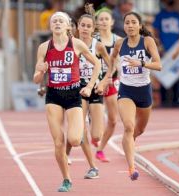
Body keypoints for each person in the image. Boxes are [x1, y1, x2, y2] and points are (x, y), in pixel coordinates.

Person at [33, 11, 101, 192]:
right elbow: (36, 77)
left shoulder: (76, 44)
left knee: (75, 139)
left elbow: (97, 64)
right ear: (50, 26)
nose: (56, 23)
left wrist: (90, 86)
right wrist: (40, 72)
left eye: (60, 21)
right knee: (58, 142)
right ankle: (66, 179)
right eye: (54, 21)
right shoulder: (44, 47)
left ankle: (79, 136)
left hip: (73, 95)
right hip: (53, 95)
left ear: (68, 26)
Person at [110, 12, 161, 180]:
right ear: (123, 26)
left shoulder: (147, 41)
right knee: (128, 127)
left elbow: (158, 65)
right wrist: (109, 76)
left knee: (139, 129)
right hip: (126, 90)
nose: (130, 25)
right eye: (127, 23)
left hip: (144, 90)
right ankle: (132, 167)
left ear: (139, 26)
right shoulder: (119, 43)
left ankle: (129, 143)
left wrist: (142, 63)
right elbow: (111, 60)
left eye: (133, 22)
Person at [65, 4, 112, 178]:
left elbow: (110, 65)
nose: (84, 29)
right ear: (77, 27)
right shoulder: (73, 44)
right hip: (79, 88)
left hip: (96, 89)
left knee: (96, 135)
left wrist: (104, 82)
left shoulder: (98, 46)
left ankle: (95, 119)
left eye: (88, 26)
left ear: (93, 30)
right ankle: (90, 166)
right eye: (82, 26)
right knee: (80, 127)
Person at [94, 8, 121, 162]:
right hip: (95, 81)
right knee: (93, 115)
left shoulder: (118, 40)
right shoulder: (93, 40)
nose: (104, 22)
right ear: (96, 23)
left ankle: (100, 149)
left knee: (113, 119)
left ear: (112, 22)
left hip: (111, 81)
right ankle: (94, 133)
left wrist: (111, 75)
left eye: (106, 19)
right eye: (101, 19)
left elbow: (118, 62)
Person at [152, 0, 179, 107]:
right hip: (164, 50)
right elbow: (155, 31)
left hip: (175, 50)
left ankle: (176, 98)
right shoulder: (160, 15)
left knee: (176, 73)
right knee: (163, 73)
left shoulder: (178, 15)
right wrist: (159, 46)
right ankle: (165, 99)